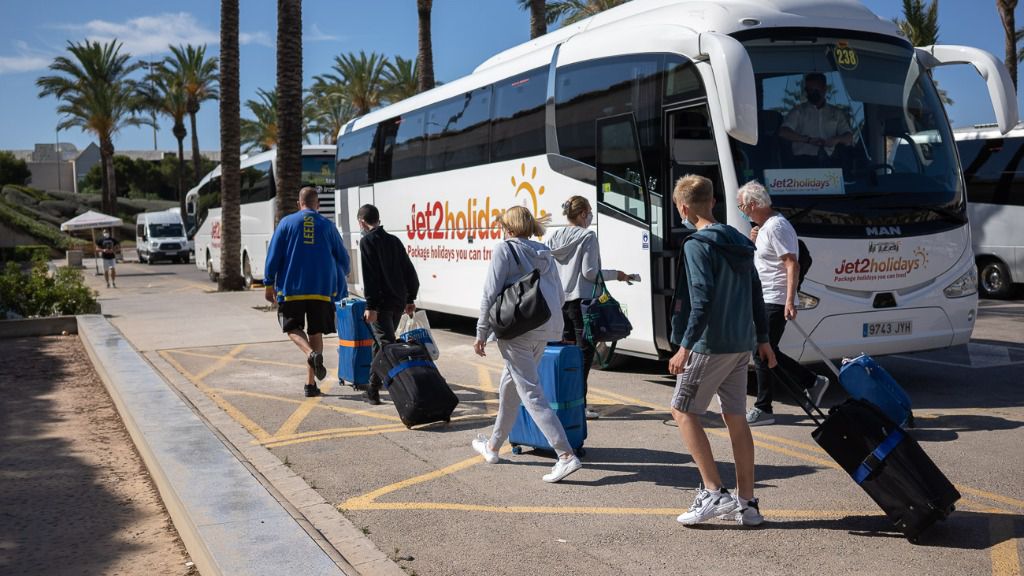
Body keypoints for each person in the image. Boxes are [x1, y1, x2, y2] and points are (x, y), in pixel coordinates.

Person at [667, 174, 776, 527]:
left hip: (710, 344)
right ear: (713, 202)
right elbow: (756, 295)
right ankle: (748, 504)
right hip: (741, 343)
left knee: (682, 411)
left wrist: (684, 346)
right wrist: (763, 339)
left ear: (684, 208)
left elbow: (702, 298)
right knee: (736, 417)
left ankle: (714, 492)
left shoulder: (697, 245)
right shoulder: (739, 240)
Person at [471, 206, 583, 484]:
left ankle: (566, 455)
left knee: (531, 393)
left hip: (516, 331)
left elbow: (489, 293)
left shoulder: (504, 249)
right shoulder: (543, 252)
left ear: (507, 229)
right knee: (511, 387)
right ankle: (494, 447)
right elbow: (559, 296)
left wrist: (481, 331)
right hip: (543, 329)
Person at [738, 181, 830, 426]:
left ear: (755, 204)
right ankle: (812, 381)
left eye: (742, 206)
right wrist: (753, 238)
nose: (742, 211)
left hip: (775, 298)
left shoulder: (777, 226)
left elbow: (792, 263)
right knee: (767, 351)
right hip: (765, 296)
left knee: (762, 351)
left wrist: (790, 300)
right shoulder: (765, 227)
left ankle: (764, 408)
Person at [545, 195, 632, 419]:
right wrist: (618, 275)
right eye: (590, 211)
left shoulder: (555, 237)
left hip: (560, 304)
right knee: (583, 357)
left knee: (564, 354)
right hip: (581, 307)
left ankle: (563, 402)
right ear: (583, 213)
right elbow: (590, 273)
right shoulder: (588, 237)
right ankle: (579, 405)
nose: (591, 215)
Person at [264, 187, 350, 398]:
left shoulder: (286, 223)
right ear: (317, 204)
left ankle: (310, 354)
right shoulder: (328, 226)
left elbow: (273, 255)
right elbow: (344, 259)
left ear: (298, 203)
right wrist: (341, 278)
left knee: (292, 327)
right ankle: (310, 385)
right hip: (322, 290)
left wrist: (268, 283)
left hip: (292, 288)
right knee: (315, 333)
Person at [357, 203, 420, 405]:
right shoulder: (394, 241)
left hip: (381, 304)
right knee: (381, 345)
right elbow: (410, 272)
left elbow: (370, 277)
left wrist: (371, 306)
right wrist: (410, 298)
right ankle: (372, 389)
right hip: (397, 302)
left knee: (387, 347)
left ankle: (408, 389)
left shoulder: (367, 242)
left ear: (361, 222)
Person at [778, 73, 853, 165]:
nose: (812, 93)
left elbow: (849, 137)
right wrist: (808, 140)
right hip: (802, 162)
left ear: (824, 89)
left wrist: (836, 139)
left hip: (830, 163)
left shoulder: (836, 113)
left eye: (816, 90)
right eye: (809, 90)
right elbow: (783, 132)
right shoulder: (798, 111)